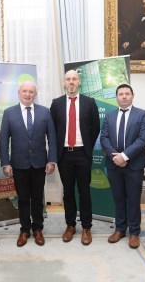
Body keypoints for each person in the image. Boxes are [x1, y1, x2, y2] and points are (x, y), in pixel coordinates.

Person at [0, 81, 57, 247]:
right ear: (19, 93)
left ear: (35, 94)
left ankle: (38, 229)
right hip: (18, 164)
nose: (27, 94)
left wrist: (51, 160)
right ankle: (24, 230)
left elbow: (52, 138)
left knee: (38, 198)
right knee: (23, 199)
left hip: (40, 164)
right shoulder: (9, 113)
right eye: (24, 91)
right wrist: (5, 163)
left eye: (31, 92)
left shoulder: (45, 112)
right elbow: (4, 140)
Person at [50, 69, 100, 245]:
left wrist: (87, 148)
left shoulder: (89, 102)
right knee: (68, 192)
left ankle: (86, 227)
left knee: (84, 191)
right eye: (68, 79)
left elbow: (96, 128)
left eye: (74, 79)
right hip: (64, 155)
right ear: (64, 83)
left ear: (79, 82)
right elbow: (52, 131)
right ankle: (70, 225)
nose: (71, 82)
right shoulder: (56, 104)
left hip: (82, 154)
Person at [100, 84, 145, 249]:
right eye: (120, 94)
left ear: (132, 95)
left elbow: (143, 139)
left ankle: (134, 232)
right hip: (114, 164)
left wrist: (124, 156)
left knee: (134, 200)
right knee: (118, 198)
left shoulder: (142, 114)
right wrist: (115, 157)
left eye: (127, 93)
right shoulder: (109, 116)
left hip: (134, 165)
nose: (124, 96)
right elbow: (104, 138)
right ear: (116, 97)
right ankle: (120, 229)